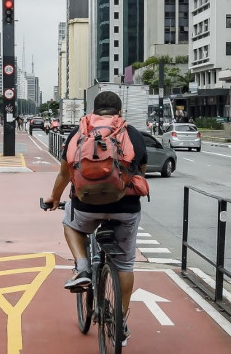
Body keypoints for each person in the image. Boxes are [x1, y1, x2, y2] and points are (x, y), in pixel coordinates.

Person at [43, 91, 148, 348]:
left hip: (86, 205)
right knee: (125, 265)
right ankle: (121, 320)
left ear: (94, 110)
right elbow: (141, 175)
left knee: (70, 223)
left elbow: (64, 173)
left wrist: (54, 199)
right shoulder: (132, 133)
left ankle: (82, 267)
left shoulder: (80, 132)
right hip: (125, 208)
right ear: (119, 112)